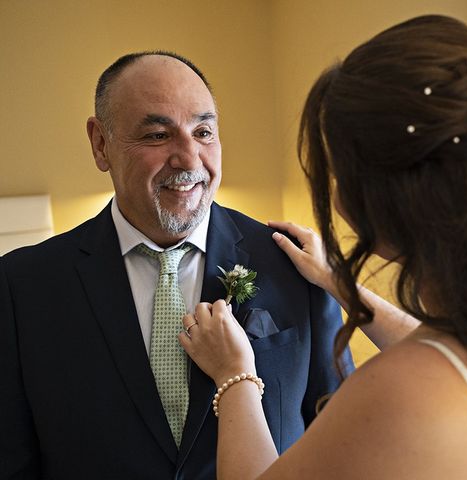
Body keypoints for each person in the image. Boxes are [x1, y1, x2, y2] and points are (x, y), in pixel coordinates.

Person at [179, 15, 467, 479]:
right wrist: (340, 283)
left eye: (338, 170)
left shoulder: (396, 392)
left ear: (380, 197)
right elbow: (441, 351)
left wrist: (234, 375)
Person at [0, 51, 352, 479]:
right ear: (100, 143)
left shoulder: (295, 265)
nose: (189, 159)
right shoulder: (23, 286)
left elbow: (341, 437)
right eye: (156, 136)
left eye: (203, 131)